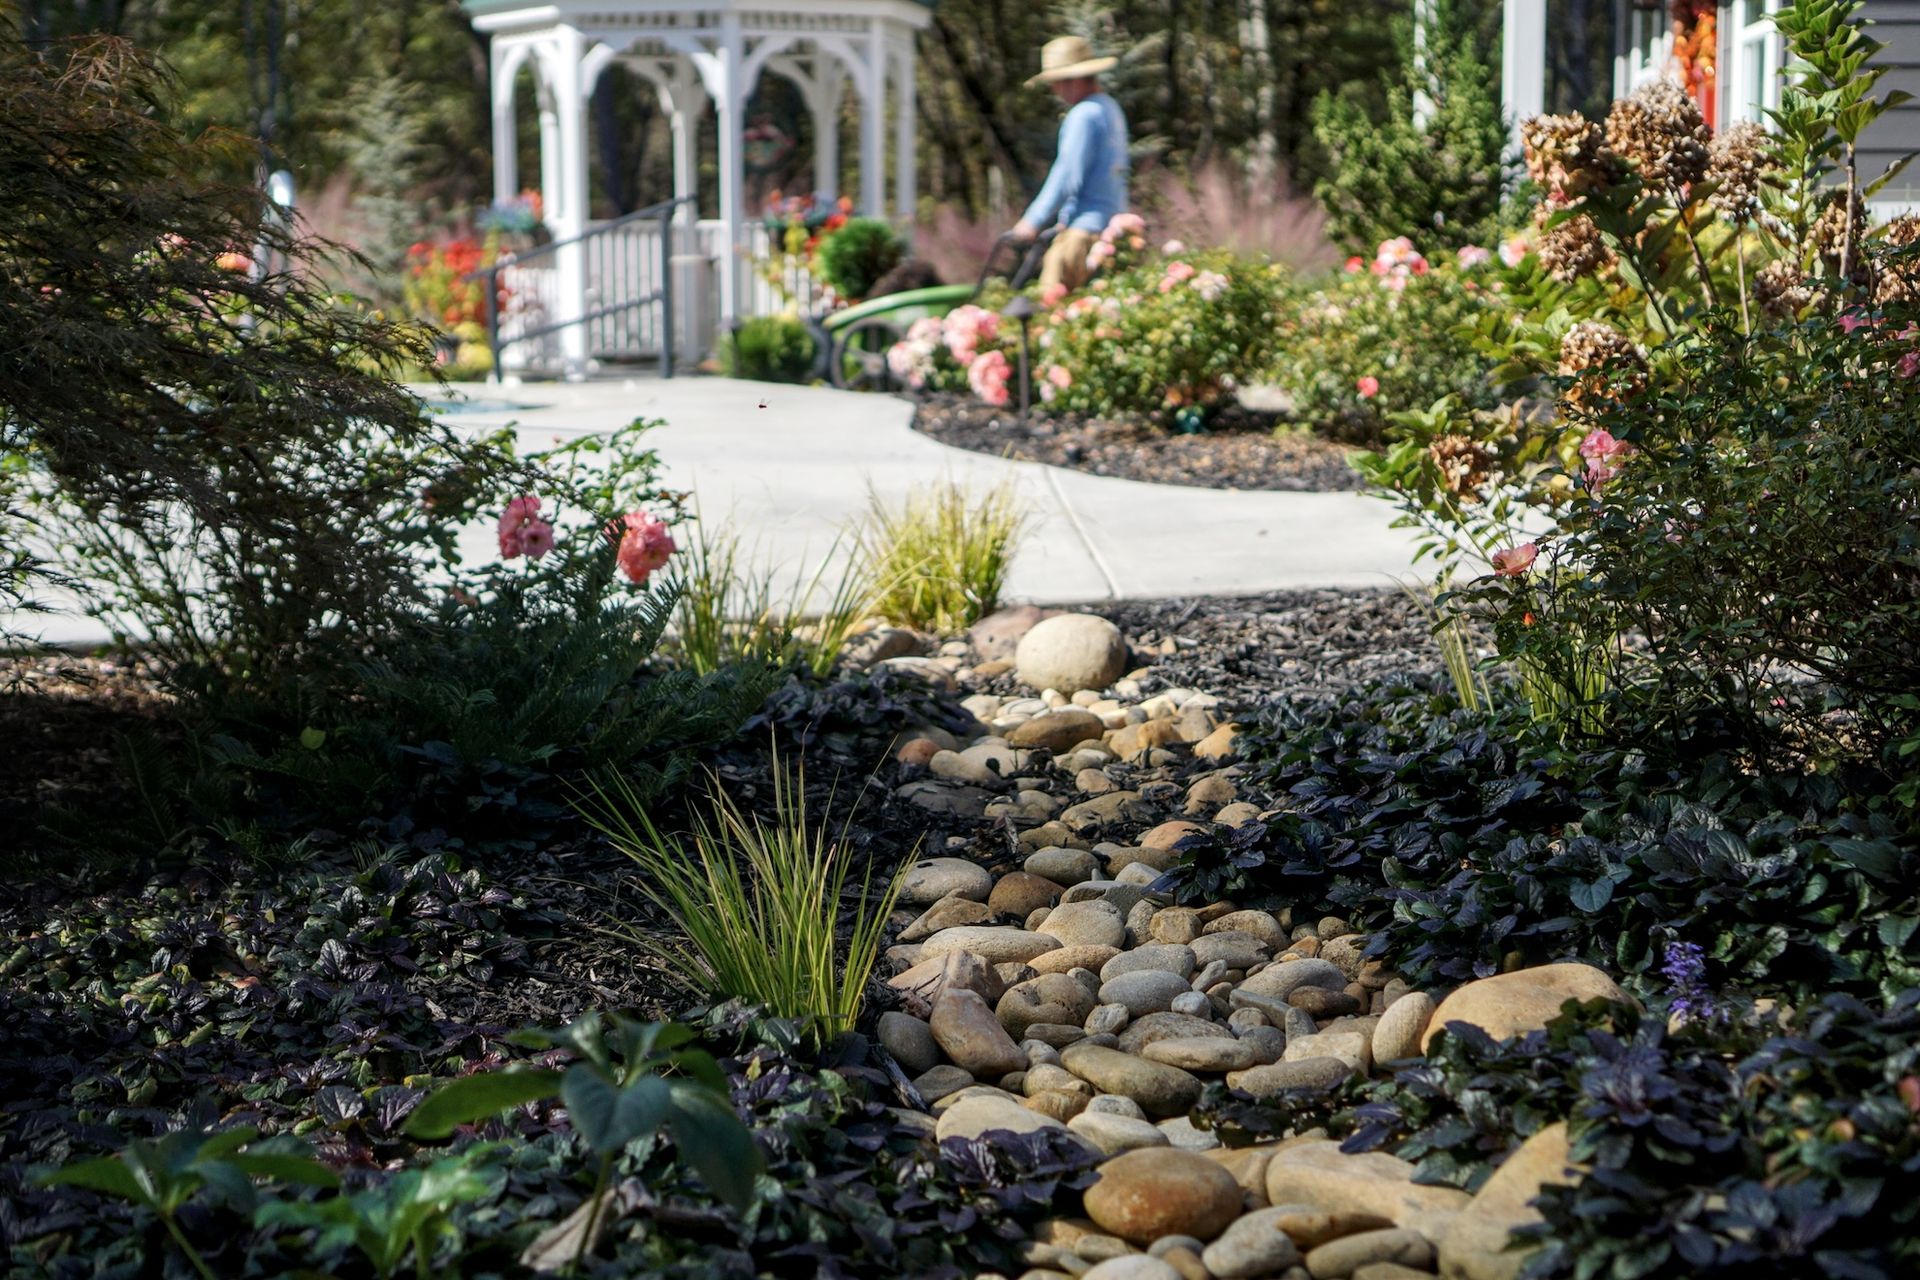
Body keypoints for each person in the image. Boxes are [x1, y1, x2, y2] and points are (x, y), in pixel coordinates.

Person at [1010, 36, 1130, 294]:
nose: (1055, 90)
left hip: (1082, 236)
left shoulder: (1083, 115)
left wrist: (1032, 221)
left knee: (1052, 311)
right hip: (1112, 231)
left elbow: (1066, 174)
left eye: (1055, 83)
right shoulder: (1110, 108)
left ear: (1072, 80)